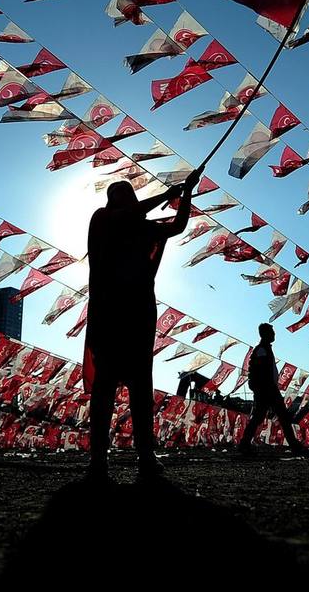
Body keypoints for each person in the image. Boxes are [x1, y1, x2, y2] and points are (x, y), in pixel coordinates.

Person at [86, 169, 199, 482]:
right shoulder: (102, 220)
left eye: (127, 194)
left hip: (139, 313)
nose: (123, 200)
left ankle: (146, 454)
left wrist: (187, 193)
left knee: (140, 386)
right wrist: (167, 195)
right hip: (109, 313)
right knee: (105, 387)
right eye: (117, 195)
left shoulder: (143, 228)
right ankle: (98, 458)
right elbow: (125, 216)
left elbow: (177, 226)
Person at [238, 324, 306, 456]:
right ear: (265, 334)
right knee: (280, 417)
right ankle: (294, 445)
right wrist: (265, 387)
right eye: (271, 332)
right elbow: (260, 371)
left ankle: (244, 444)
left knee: (263, 417)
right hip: (267, 389)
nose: (274, 334)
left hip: (267, 388)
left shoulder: (264, 349)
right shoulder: (262, 350)